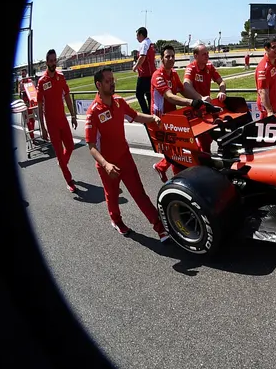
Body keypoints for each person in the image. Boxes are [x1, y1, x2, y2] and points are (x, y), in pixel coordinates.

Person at [83, 67, 168, 239]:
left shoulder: (119, 102)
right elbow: (91, 146)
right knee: (112, 196)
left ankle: (159, 227)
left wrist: (152, 118)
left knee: (139, 193)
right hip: (107, 165)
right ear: (98, 85)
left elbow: (134, 116)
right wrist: (105, 165)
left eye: (113, 79)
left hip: (125, 158)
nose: (112, 83)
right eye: (108, 81)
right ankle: (116, 220)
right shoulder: (93, 112)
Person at [145, 45, 210, 181]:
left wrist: (199, 98)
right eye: (167, 56)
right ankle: (178, 180)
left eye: (173, 56)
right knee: (176, 151)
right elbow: (169, 96)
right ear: (161, 59)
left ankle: (163, 168)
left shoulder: (173, 74)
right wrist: (190, 102)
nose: (171, 59)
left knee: (181, 148)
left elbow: (182, 89)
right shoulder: (157, 76)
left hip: (172, 117)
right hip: (160, 119)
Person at [35, 49, 80, 192]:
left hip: (62, 119)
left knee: (71, 146)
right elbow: (40, 105)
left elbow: (67, 96)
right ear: (46, 62)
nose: (53, 63)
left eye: (55, 60)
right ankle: (69, 180)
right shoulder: (42, 81)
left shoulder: (61, 77)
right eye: (51, 61)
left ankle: (62, 164)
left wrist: (73, 115)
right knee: (59, 152)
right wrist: (42, 127)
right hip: (51, 123)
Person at [134, 27, 156, 114]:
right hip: (151, 74)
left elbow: (142, 56)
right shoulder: (150, 43)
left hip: (145, 75)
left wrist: (135, 66)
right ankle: (151, 113)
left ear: (141, 35)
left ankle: (146, 113)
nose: (136, 38)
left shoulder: (144, 44)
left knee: (139, 94)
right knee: (149, 94)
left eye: (137, 35)